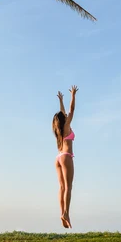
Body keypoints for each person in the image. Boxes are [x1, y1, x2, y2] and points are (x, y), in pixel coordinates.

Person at [52, 85, 78, 229]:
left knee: (61, 187)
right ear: (64, 120)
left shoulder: (59, 130)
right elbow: (71, 110)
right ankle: (66, 213)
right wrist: (73, 95)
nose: (67, 116)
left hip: (58, 158)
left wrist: (61, 100)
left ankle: (62, 212)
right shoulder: (67, 127)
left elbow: (63, 113)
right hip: (66, 157)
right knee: (68, 186)